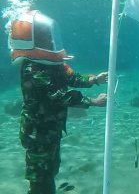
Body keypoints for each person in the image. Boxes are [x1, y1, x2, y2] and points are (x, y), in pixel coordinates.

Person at [8, 10, 108, 194]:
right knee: (40, 180)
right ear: (35, 40)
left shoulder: (52, 62)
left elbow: (72, 77)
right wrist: (93, 101)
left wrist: (95, 79)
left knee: (50, 171)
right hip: (37, 133)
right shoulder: (33, 68)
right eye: (45, 37)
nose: (50, 40)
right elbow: (58, 95)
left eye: (49, 36)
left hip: (51, 130)